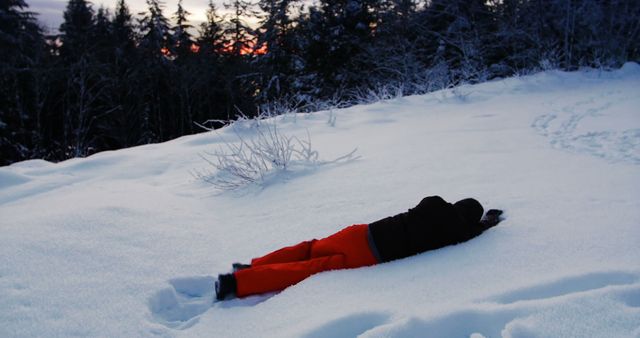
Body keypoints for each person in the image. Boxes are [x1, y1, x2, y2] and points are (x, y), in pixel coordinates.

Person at [215, 195, 504, 300]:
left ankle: (252, 265)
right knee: (305, 270)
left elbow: (428, 208)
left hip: (359, 233)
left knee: (308, 249)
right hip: (369, 255)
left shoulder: (434, 202)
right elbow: (473, 232)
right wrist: (488, 220)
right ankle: (235, 283)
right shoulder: (456, 233)